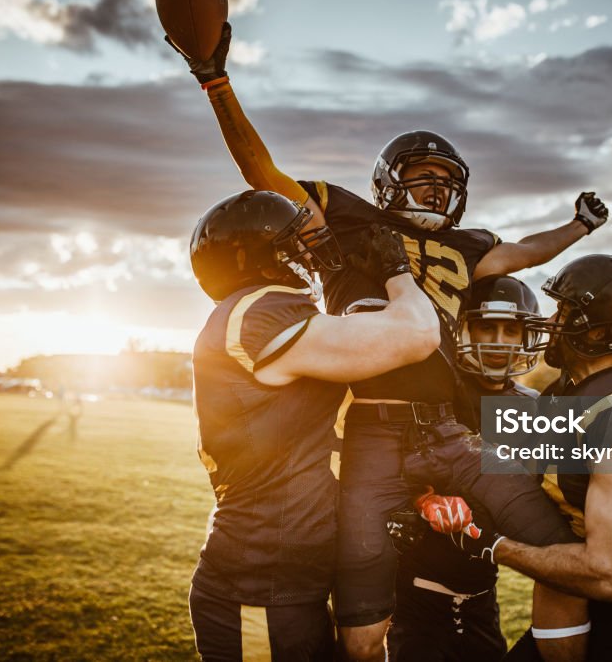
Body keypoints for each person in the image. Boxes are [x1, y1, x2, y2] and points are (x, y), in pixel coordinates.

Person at [174, 24, 606, 660]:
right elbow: (263, 174)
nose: (435, 190)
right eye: (421, 177)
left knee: (565, 554)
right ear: (386, 180)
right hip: (372, 430)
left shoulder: (468, 247)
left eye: (444, 180)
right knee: (362, 627)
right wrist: (217, 84)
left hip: (451, 429)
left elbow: (521, 251)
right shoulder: (348, 223)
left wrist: (576, 227)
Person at [188, 190, 446, 660]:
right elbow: (420, 334)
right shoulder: (258, 311)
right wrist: (397, 274)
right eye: (294, 242)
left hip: (284, 576)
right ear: (253, 257)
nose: (309, 252)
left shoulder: (260, 313)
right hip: (260, 584)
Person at [449, 255, 612, 662]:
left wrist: (490, 546)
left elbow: (610, 574)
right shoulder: (564, 396)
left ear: (595, 331)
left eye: (564, 311)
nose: (551, 322)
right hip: (570, 614)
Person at [386, 276, 544, 661]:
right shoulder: (433, 392)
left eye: (511, 330)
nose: (499, 340)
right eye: (487, 327)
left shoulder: (533, 404)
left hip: (481, 599)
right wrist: (422, 500)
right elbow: (384, 468)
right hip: (416, 598)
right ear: (463, 329)